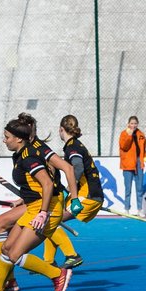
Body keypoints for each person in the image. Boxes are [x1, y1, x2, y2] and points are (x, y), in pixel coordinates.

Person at [0, 115, 74, 291]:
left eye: (7, 137)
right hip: (32, 207)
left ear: (19, 138)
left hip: (45, 211)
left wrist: (43, 213)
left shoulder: (29, 157)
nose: (4, 140)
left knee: (14, 254)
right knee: (6, 248)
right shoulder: (19, 155)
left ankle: (57, 274)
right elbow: (34, 185)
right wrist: (24, 199)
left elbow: (47, 184)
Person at [44, 114, 104, 269]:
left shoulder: (72, 147)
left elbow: (77, 167)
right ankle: (48, 261)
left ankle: (72, 256)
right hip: (90, 195)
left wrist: (72, 189)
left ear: (61, 129)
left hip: (86, 197)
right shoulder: (76, 144)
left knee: (50, 221)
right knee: (51, 219)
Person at [119, 115, 146, 216]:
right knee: (128, 188)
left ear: (137, 124)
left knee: (139, 188)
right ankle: (126, 209)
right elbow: (124, 146)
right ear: (128, 124)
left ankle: (140, 209)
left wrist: (144, 156)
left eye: (135, 123)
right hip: (128, 163)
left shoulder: (141, 134)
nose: (133, 125)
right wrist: (129, 135)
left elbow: (143, 148)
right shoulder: (124, 134)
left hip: (138, 163)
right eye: (131, 123)